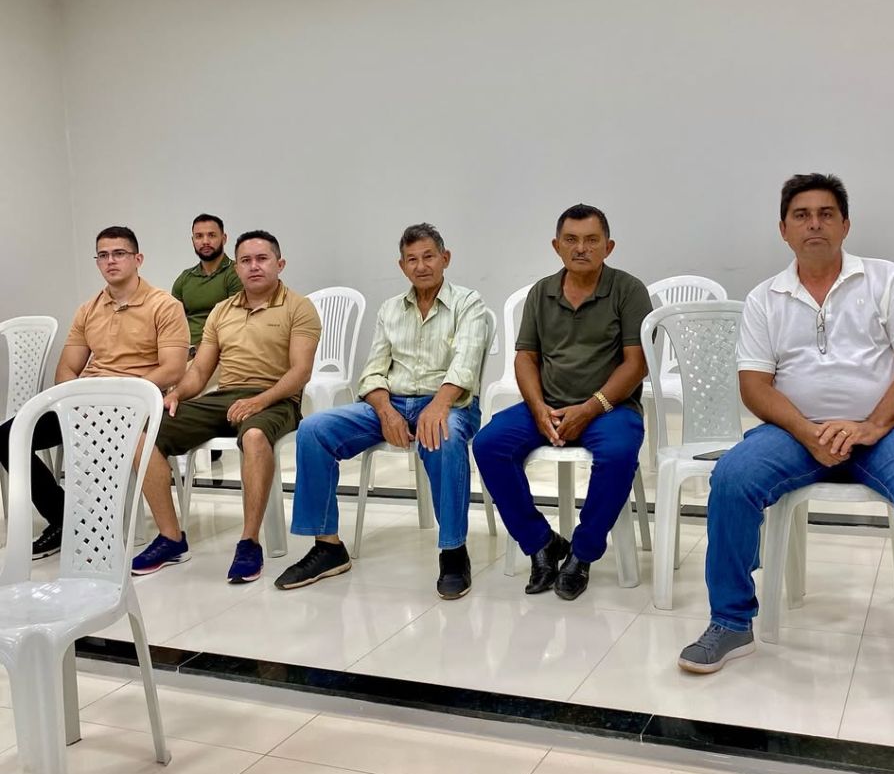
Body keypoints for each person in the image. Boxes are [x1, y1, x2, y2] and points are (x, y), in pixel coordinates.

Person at [679, 173, 894, 711]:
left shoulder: (887, 280)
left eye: (826, 214)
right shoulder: (765, 298)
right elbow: (754, 386)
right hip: (796, 432)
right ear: (783, 229)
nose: (814, 224)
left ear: (845, 224)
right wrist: (807, 431)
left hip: (889, 429)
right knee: (732, 477)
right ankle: (730, 621)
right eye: (801, 215)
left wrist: (871, 426)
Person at [276, 223, 488, 600]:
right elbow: (373, 371)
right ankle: (328, 546)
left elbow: (466, 363)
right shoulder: (391, 309)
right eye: (412, 259)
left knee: (445, 435)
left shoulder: (468, 302)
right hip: (392, 403)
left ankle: (453, 551)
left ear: (445, 258)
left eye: (429, 256)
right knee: (314, 430)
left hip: (449, 402)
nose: (421, 266)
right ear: (402, 266)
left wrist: (438, 406)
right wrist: (387, 411)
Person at [473, 204, 652, 601]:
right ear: (556, 246)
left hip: (609, 408)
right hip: (549, 405)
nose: (581, 248)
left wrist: (590, 408)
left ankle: (582, 554)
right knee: (488, 444)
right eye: (571, 240)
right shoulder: (542, 292)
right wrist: (538, 407)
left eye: (591, 240)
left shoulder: (628, 290)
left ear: (608, 247)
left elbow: (636, 364)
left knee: (619, 453)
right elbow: (525, 358)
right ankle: (541, 543)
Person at [132, 230, 321, 584]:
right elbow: (200, 371)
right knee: (143, 435)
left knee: (254, 437)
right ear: (237, 268)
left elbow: (300, 372)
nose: (254, 266)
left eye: (262, 259)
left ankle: (249, 542)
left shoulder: (299, 307)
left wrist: (260, 400)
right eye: (246, 260)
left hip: (276, 398)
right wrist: (177, 394)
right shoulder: (222, 311)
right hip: (225, 397)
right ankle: (171, 538)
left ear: (279, 264)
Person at [0, 227, 189, 557]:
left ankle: (162, 534)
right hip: (88, 405)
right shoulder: (88, 309)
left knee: (133, 442)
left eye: (119, 254)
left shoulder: (164, 305)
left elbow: (173, 369)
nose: (110, 261)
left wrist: (121, 396)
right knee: (9, 437)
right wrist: (77, 400)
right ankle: (63, 519)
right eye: (103, 255)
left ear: (138, 259)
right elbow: (66, 369)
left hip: (136, 403)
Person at [171, 214, 243, 351]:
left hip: (221, 350)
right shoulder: (185, 278)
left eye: (211, 235)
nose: (205, 241)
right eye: (199, 236)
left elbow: (236, 322)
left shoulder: (236, 273)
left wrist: (200, 351)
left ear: (224, 238)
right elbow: (171, 321)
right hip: (183, 349)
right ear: (193, 241)